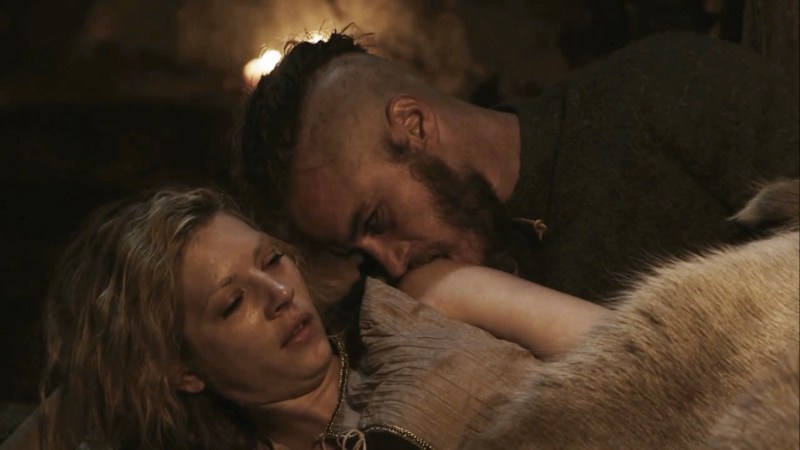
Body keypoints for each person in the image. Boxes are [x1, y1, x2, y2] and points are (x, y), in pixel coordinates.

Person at [4, 187, 606, 450]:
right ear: (183, 370)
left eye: (272, 259)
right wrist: (108, 382)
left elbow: (640, 350)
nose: (278, 292)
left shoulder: (429, 300)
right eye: (232, 303)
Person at [235, 29, 799, 301]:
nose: (391, 262)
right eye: (360, 254)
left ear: (414, 124)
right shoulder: (426, 304)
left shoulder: (664, 86)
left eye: (376, 221)